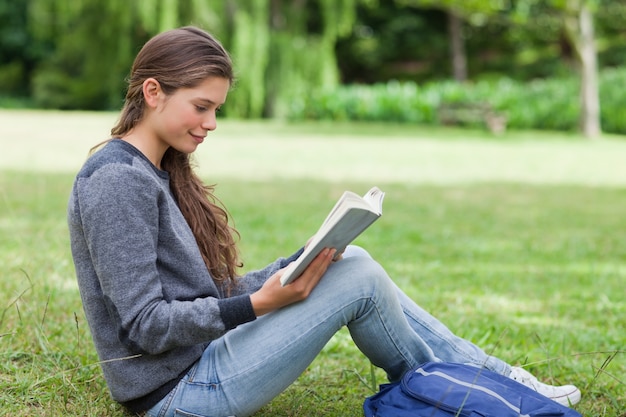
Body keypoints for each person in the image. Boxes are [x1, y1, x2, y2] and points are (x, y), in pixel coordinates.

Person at [67, 26, 581, 417]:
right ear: (153, 92)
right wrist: (254, 305)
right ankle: (482, 388)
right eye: (201, 107)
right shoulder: (117, 180)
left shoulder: (155, 172)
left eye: (216, 109)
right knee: (357, 278)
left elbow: (198, 292)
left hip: (201, 358)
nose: (212, 124)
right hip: (175, 394)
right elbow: (145, 326)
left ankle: (487, 380)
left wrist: (304, 257)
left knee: (350, 259)